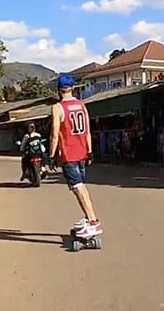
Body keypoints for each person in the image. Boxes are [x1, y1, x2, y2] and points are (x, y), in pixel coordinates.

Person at [49, 74, 103, 239]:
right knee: (80, 186)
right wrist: (90, 151)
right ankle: (89, 218)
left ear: (58, 89)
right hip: (82, 153)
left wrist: (51, 155)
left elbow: (54, 134)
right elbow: (87, 130)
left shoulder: (58, 108)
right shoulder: (81, 105)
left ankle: (93, 221)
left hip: (69, 154)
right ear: (73, 88)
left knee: (78, 188)